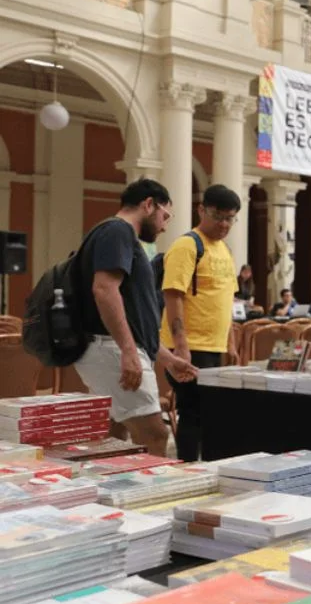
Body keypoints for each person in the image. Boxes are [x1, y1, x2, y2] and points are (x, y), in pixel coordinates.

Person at [73, 179, 197, 457]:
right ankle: (154, 499)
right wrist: (128, 351)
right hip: (111, 348)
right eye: (165, 215)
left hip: (112, 347)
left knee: (115, 434)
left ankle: (109, 495)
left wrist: (166, 358)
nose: (165, 226)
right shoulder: (118, 231)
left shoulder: (118, 236)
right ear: (148, 204)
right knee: (155, 433)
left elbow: (134, 318)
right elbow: (104, 290)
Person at [160, 184, 240, 462]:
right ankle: (189, 467)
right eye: (218, 216)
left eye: (230, 218)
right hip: (189, 346)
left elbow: (225, 299)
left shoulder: (225, 250)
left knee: (210, 413)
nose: (224, 224)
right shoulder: (187, 245)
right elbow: (173, 294)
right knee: (193, 411)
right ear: (201, 210)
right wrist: (181, 346)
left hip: (214, 346)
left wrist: (229, 342)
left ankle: (202, 467)